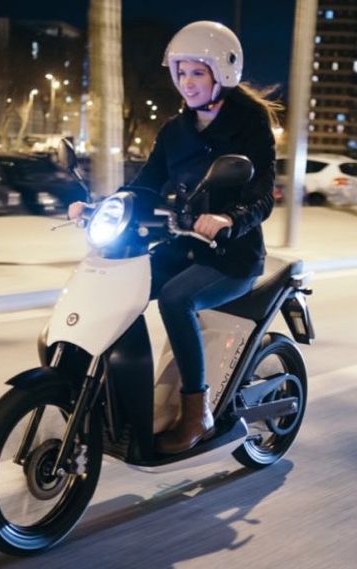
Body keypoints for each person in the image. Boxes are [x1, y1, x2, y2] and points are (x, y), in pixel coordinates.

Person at [69, 20, 279, 454]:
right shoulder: (174, 131)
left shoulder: (249, 125)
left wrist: (228, 218)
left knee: (175, 300)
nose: (187, 81)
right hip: (183, 246)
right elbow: (145, 185)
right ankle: (110, 391)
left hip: (231, 256)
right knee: (119, 286)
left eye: (197, 72)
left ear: (222, 73)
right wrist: (101, 207)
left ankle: (196, 414)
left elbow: (262, 197)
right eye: (181, 72)